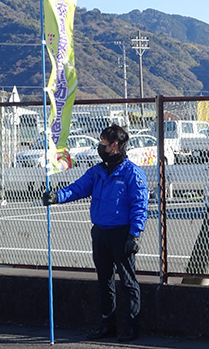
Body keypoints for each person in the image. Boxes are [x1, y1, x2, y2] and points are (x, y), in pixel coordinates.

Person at [42, 124, 148, 342]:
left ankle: (131, 327)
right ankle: (107, 325)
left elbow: (140, 204)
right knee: (104, 282)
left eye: (103, 143)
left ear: (115, 146)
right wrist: (56, 197)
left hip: (121, 233)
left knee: (128, 282)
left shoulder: (132, 173)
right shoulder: (97, 172)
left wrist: (135, 234)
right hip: (100, 233)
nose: (100, 147)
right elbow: (78, 188)